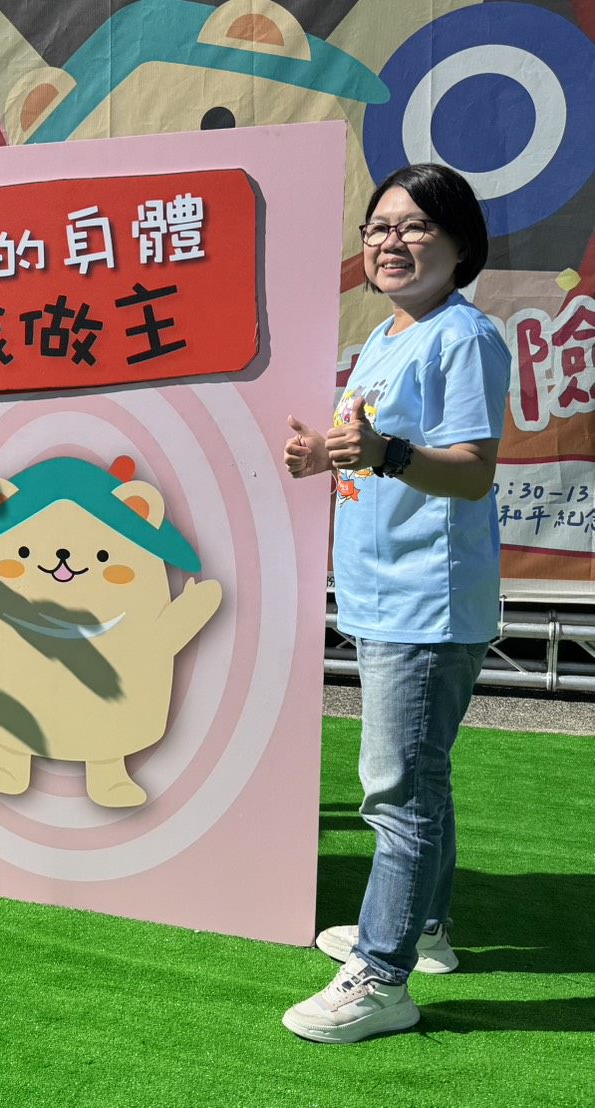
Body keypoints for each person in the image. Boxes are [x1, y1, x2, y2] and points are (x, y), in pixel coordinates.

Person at [279, 164, 511, 1044]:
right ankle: (425, 928)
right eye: (378, 227)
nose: (391, 242)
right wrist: (330, 456)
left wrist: (382, 455)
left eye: (414, 227)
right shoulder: (385, 335)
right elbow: (376, 449)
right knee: (420, 777)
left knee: (398, 790)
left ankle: (381, 976)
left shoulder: (463, 337)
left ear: (458, 244)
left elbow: (472, 470)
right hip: (385, 589)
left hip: (425, 597)